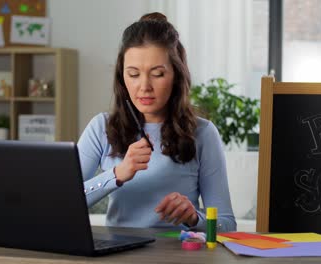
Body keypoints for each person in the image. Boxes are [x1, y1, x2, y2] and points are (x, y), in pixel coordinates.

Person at [77, 12, 236, 232]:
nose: (144, 87)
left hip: (180, 255)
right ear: (122, 78)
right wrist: (116, 174)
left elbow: (226, 226)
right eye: (133, 74)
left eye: (158, 74)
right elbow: (62, 201)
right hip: (118, 254)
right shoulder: (100, 128)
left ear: (177, 76)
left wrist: (194, 218)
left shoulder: (203, 133)